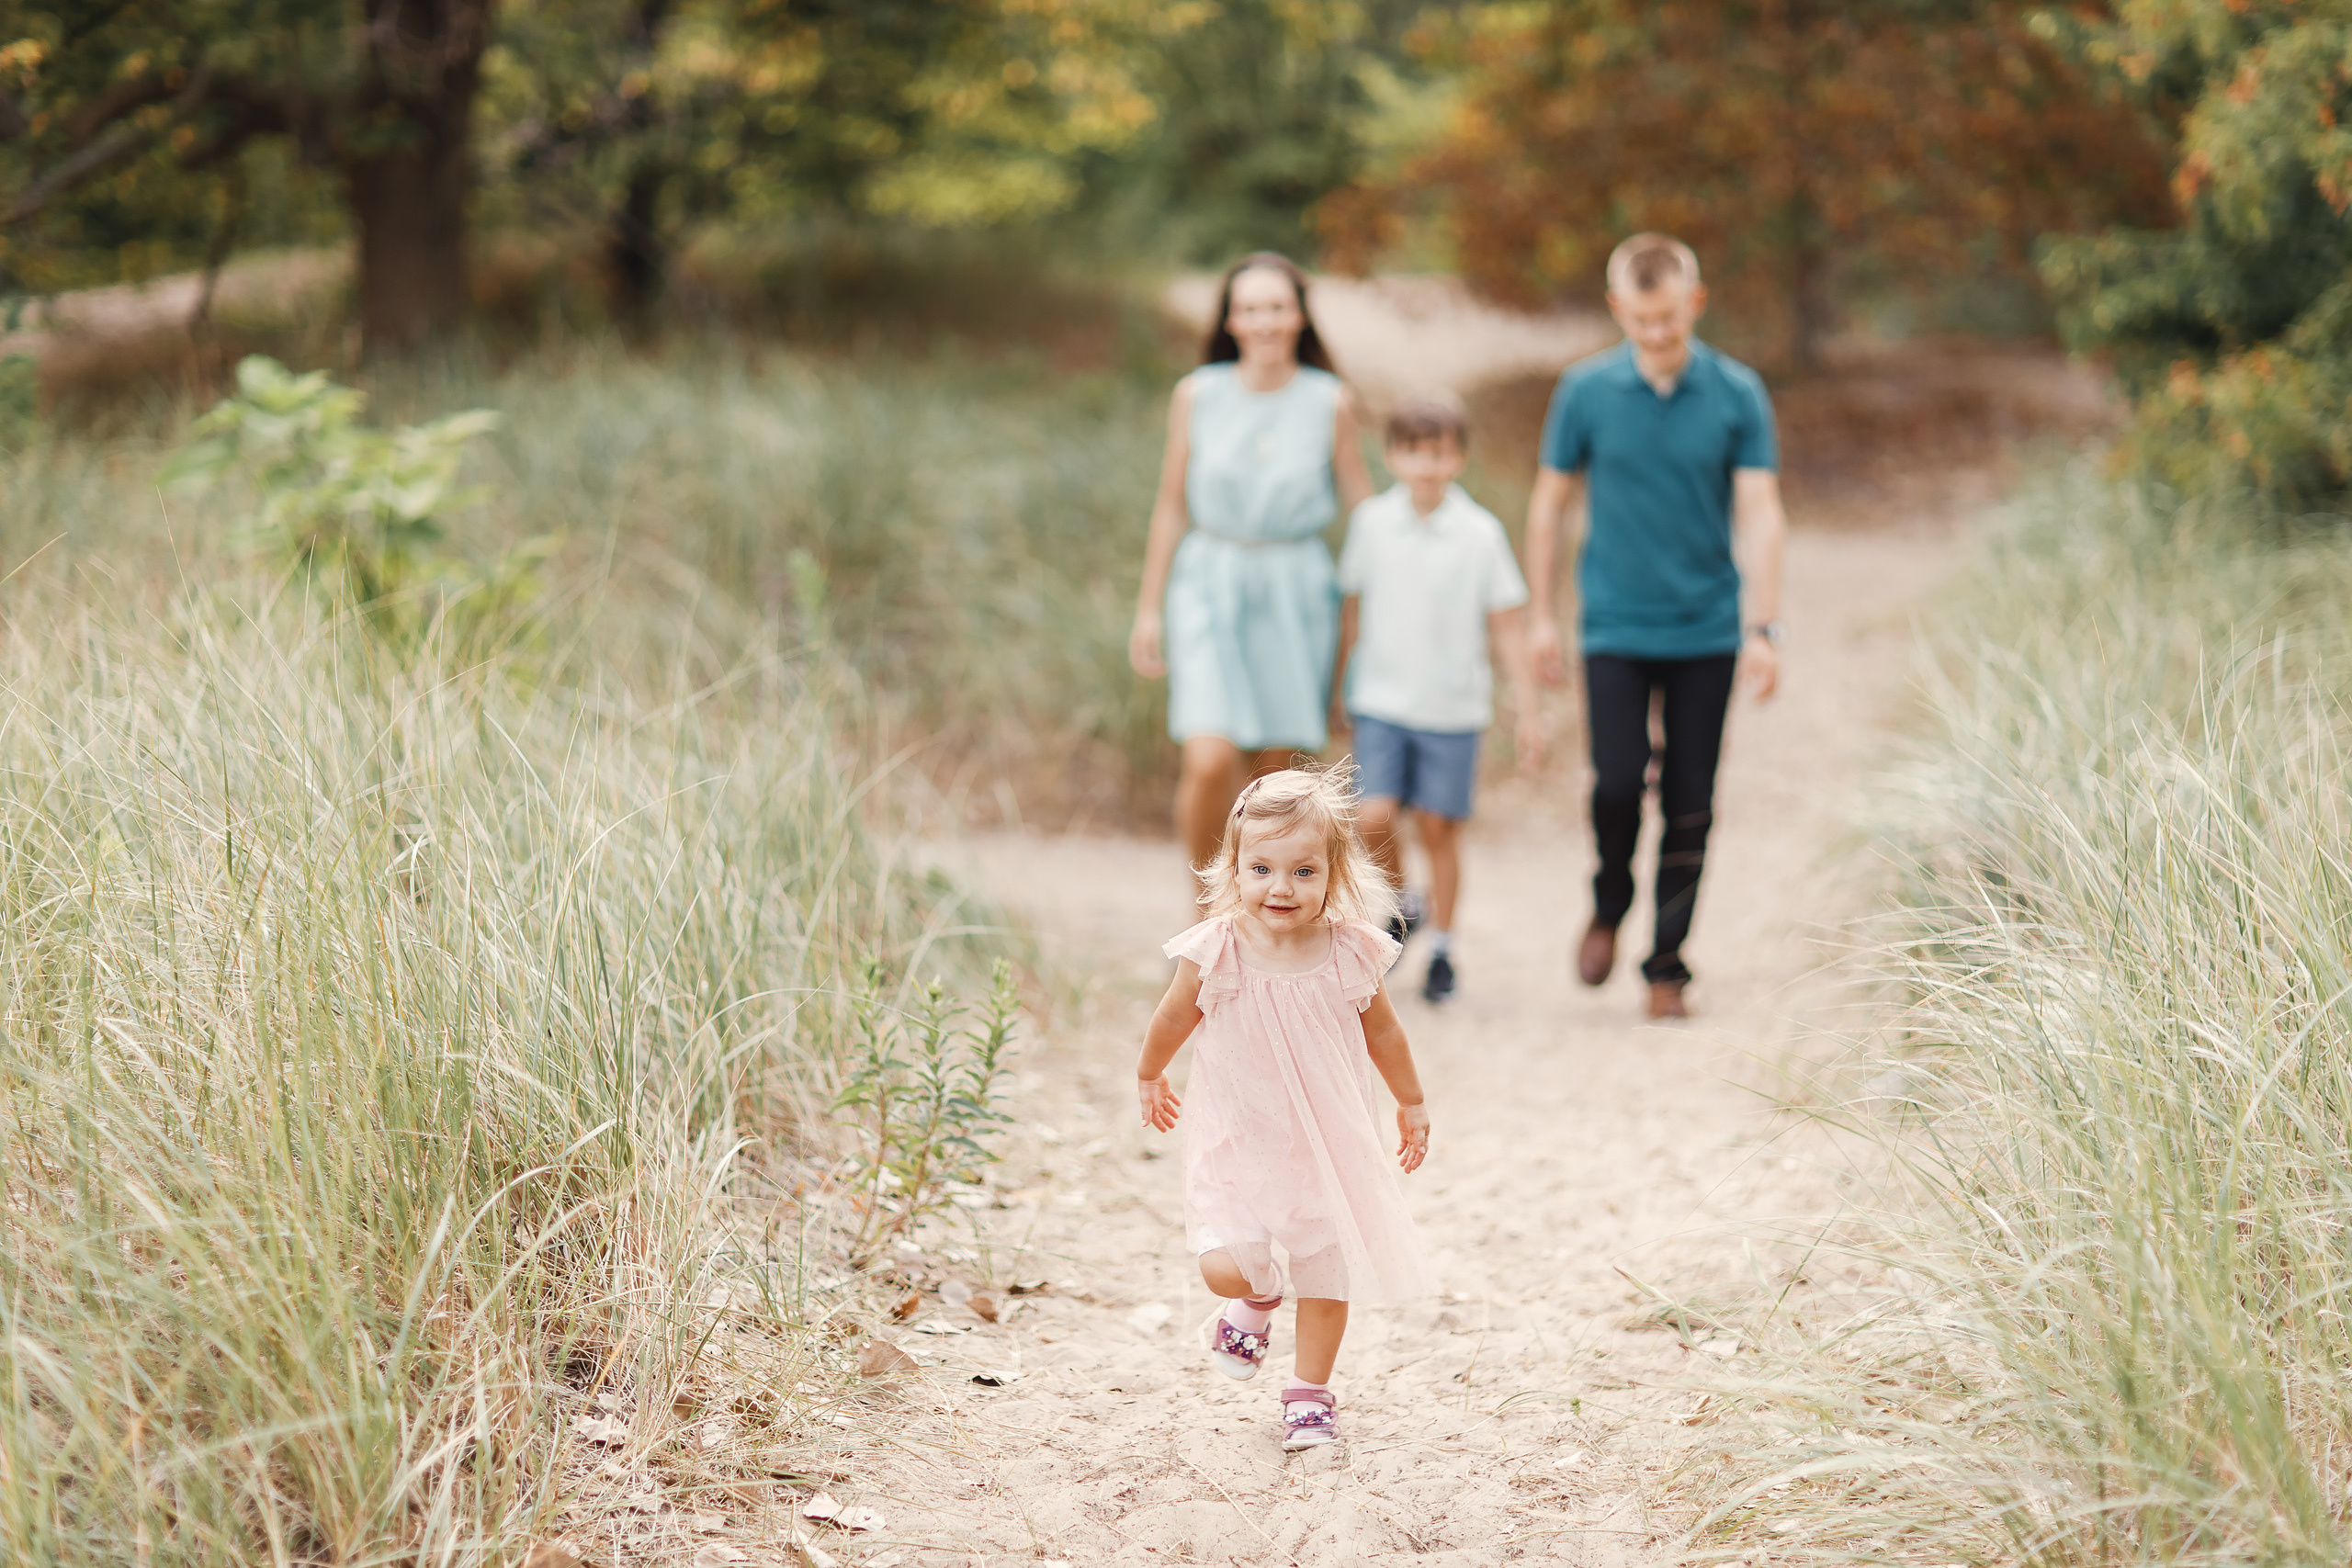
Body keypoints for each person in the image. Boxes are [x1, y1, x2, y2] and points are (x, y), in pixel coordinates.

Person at [1523, 233, 1788, 1020]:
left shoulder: (1738, 393)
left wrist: (1765, 627)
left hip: (1705, 626)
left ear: (1694, 304)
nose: (1657, 333)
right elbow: (1550, 504)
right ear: (1618, 311)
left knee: (1690, 796)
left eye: (1668, 317)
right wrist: (1542, 615)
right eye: (1641, 319)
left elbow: (1762, 510)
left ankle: (1667, 961)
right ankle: (1610, 898)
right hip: (1613, 622)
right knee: (1614, 782)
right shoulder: (1585, 390)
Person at [1135, 768, 1430, 1452]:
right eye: (1261, 867)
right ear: (1233, 866)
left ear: (1333, 872)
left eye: (1303, 871)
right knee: (1224, 1263)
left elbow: (1383, 1032)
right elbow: (1174, 1015)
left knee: (1328, 1271)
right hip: (1240, 1139)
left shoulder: (1350, 951)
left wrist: (1410, 1100)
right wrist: (1150, 1072)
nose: (1280, 887)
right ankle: (1259, 1295)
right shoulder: (1216, 947)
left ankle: (1309, 1395)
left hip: (1327, 1142)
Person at [1129, 254, 1378, 871]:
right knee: (1209, 758)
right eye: (1249, 308)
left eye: (1276, 307)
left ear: (1298, 315)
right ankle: (1202, 920)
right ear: (1231, 320)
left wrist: (1374, 614)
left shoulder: (1329, 401)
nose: (1264, 320)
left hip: (1296, 588)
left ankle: (1255, 920)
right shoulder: (1198, 394)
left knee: (1272, 780)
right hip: (1209, 578)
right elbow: (1169, 505)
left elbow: (1367, 517)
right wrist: (1147, 610)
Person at [1330, 393, 1544, 1004]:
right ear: (1393, 456)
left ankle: (1445, 945)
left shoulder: (1479, 533)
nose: (1426, 465)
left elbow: (1506, 622)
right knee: (1373, 815)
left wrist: (1526, 707)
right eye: (1413, 452)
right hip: (1382, 699)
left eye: (1439, 452)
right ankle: (1401, 903)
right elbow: (1353, 607)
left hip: (1453, 706)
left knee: (1440, 828)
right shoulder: (1373, 523)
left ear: (1458, 458)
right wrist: (1339, 685)